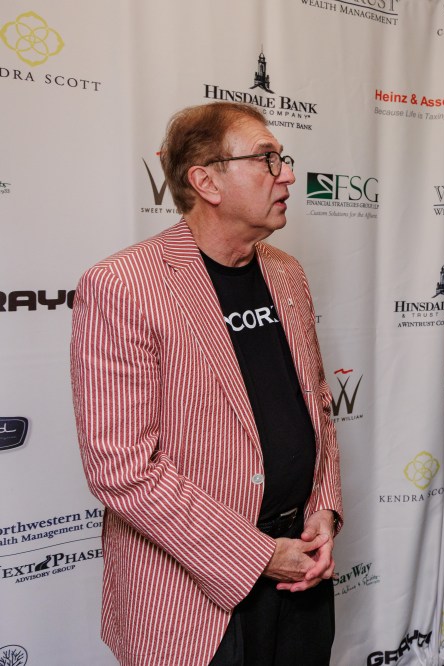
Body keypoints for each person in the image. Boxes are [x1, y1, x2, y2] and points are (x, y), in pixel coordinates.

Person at [70, 102, 343, 666]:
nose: (288, 175)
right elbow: (122, 468)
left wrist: (324, 508)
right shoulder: (123, 285)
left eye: (283, 158)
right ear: (206, 181)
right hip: (192, 591)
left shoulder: (286, 272)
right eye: (267, 159)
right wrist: (257, 555)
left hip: (301, 567)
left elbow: (317, 402)